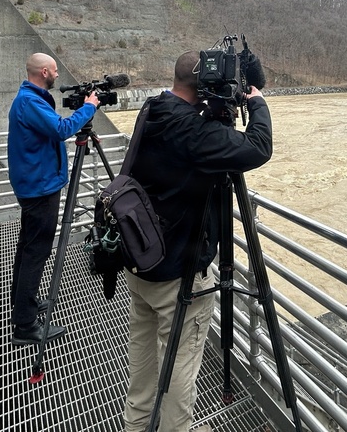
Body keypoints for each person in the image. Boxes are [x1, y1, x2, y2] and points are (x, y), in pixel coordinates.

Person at [122, 51, 273, 432]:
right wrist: (257, 104)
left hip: (141, 260)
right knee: (179, 368)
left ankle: (136, 425)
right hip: (180, 275)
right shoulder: (193, 132)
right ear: (206, 86)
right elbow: (257, 148)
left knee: (142, 363)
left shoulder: (154, 109)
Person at [7, 52, 100, 345]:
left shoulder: (29, 99)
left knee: (27, 246)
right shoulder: (30, 102)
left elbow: (48, 132)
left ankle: (23, 304)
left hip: (35, 183)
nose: (58, 75)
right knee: (37, 252)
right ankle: (25, 326)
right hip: (40, 187)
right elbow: (61, 129)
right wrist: (89, 108)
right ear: (44, 71)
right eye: (55, 71)